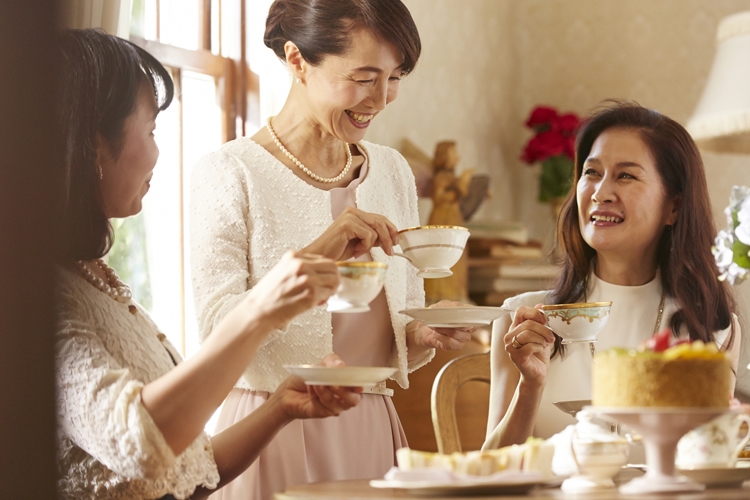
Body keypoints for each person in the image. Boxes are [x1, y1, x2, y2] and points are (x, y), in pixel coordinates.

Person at [55, 29, 362, 500]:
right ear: (95, 144)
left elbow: (183, 474)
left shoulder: (96, 282)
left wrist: (282, 405)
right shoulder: (40, 297)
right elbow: (139, 443)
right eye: (151, 130)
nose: (158, 151)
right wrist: (260, 308)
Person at [189, 1, 472, 498]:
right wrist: (321, 250)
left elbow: (390, 317)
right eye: (364, 77)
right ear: (298, 60)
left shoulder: (392, 171)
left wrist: (423, 329)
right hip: (269, 426)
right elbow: (218, 330)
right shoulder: (231, 173)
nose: (382, 99)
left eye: (395, 77)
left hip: (371, 425)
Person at [483, 102, 742, 449]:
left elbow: (714, 459)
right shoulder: (524, 321)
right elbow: (490, 473)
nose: (600, 193)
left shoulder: (713, 327)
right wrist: (529, 387)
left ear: (674, 207)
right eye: (592, 173)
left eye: (625, 175)